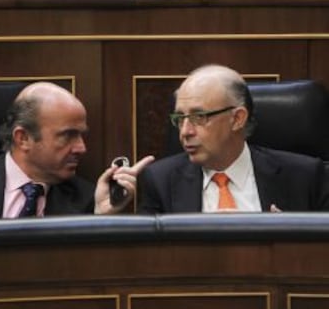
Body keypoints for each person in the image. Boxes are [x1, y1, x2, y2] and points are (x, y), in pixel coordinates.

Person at [0, 82, 154, 221]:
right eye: (68, 135)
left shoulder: (84, 200)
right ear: (23, 138)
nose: (82, 148)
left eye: (82, 135)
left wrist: (100, 219)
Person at [138, 64, 329, 213]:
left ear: (237, 119)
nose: (185, 132)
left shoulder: (304, 178)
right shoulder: (160, 182)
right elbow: (143, 259)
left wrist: (288, 242)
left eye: (199, 117)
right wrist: (108, 213)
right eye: (180, 118)